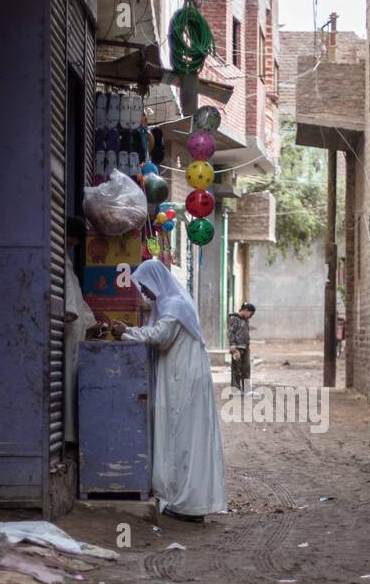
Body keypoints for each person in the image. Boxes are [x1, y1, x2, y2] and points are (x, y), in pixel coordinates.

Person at [110, 260, 226, 521]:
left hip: (183, 378)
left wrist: (126, 333)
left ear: (157, 281)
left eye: (147, 287)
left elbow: (160, 337)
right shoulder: (171, 303)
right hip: (178, 375)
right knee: (181, 436)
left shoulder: (175, 305)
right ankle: (181, 500)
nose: (146, 293)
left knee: (183, 437)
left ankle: (189, 504)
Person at [62, 217, 103, 443]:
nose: (73, 245)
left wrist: (91, 321)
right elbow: (71, 299)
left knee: (72, 374)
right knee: (68, 375)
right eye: (73, 240)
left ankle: (70, 433)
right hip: (70, 326)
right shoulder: (59, 259)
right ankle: (68, 433)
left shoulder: (65, 260)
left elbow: (77, 297)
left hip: (76, 327)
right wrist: (74, 313)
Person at [227, 302, 256, 394]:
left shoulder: (245, 320)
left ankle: (247, 390)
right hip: (237, 348)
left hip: (245, 347)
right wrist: (232, 345)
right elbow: (230, 332)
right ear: (246, 311)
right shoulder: (234, 318)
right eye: (250, 314)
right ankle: (235, 389)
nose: (250, 316)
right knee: (236, 369)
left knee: (246, 368)